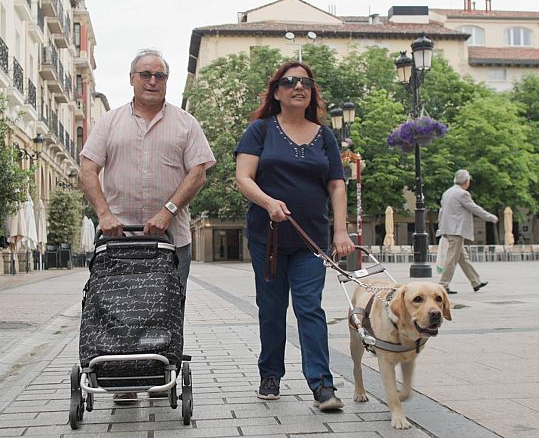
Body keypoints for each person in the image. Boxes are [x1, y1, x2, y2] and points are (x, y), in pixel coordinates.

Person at [79, 49, 216, 402]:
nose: (152, 81)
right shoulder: (109, 122)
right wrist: (104, 215)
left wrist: (167, 211)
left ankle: (161, 373)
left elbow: (198, 172)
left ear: (166, 82)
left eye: (160, 75)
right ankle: (119, 374)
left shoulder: (186, 123)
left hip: (171, 239)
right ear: (132, 79)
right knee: (115, 309)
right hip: (117, 239)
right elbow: (88, 169)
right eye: (145, 74)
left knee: (167, 307)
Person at [234, 61, 352, 412]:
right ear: (276, 91)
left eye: (305, 82)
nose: (297, 87)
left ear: (312, 91)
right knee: (271, 309)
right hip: (267, 239)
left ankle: (321, 385)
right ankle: (270, 373)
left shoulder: (324, 135)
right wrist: (268, 202)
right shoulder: (260, 131)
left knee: (309, 309)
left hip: (311, 241)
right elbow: (244, 177)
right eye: (289, 82)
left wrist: (342, 230)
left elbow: (337, 184)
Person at [436, 170, 498, 294]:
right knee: (451, 259)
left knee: (462, 258)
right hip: (456, 230)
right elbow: (475, 208)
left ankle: (476, 282)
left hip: (448, 228)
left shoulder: (447, 192)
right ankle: (443, 285)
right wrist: (491, 217)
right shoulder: (462, 194)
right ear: (466, 181)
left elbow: (442, 211)